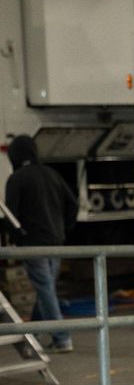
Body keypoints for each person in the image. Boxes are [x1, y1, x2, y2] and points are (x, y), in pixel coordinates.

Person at [5, 134, 78, 353]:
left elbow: (10, 216)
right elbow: (73, 204)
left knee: (45, 288)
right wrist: (63, 230)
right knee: (45, 288)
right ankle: (35, 334)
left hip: (33, 244)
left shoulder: (16, 179)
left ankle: (62, 338)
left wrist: (19, 238)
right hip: (55, 241)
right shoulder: (51, 174)